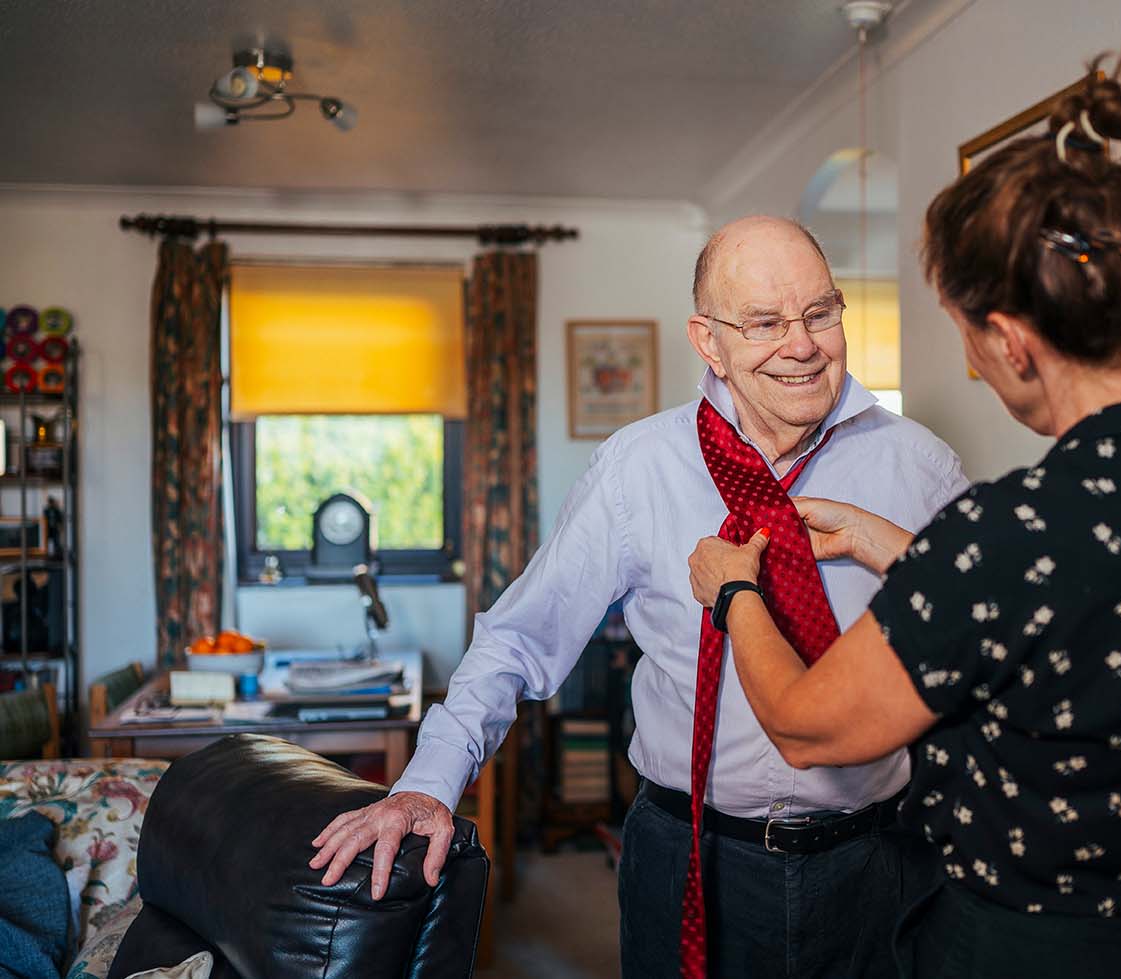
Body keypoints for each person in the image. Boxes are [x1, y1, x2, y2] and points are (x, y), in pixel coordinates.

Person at [687, 57, 1121, 979]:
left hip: (1041, 952)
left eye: (966, 337)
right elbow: (1100, 621)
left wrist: (734, 592)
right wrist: (898, 548)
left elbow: (806, 726)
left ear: (1009, 339)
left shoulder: (1009, 535)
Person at [309, 215, 970, 978]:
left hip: (881, 856)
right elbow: (520, 638)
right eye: (763, 323)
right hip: (690, 853)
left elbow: (984, 648)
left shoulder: (920, 469)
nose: (802, 345)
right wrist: (428, 784)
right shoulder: (637, 467)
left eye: (820, 313)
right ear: (708, 340)